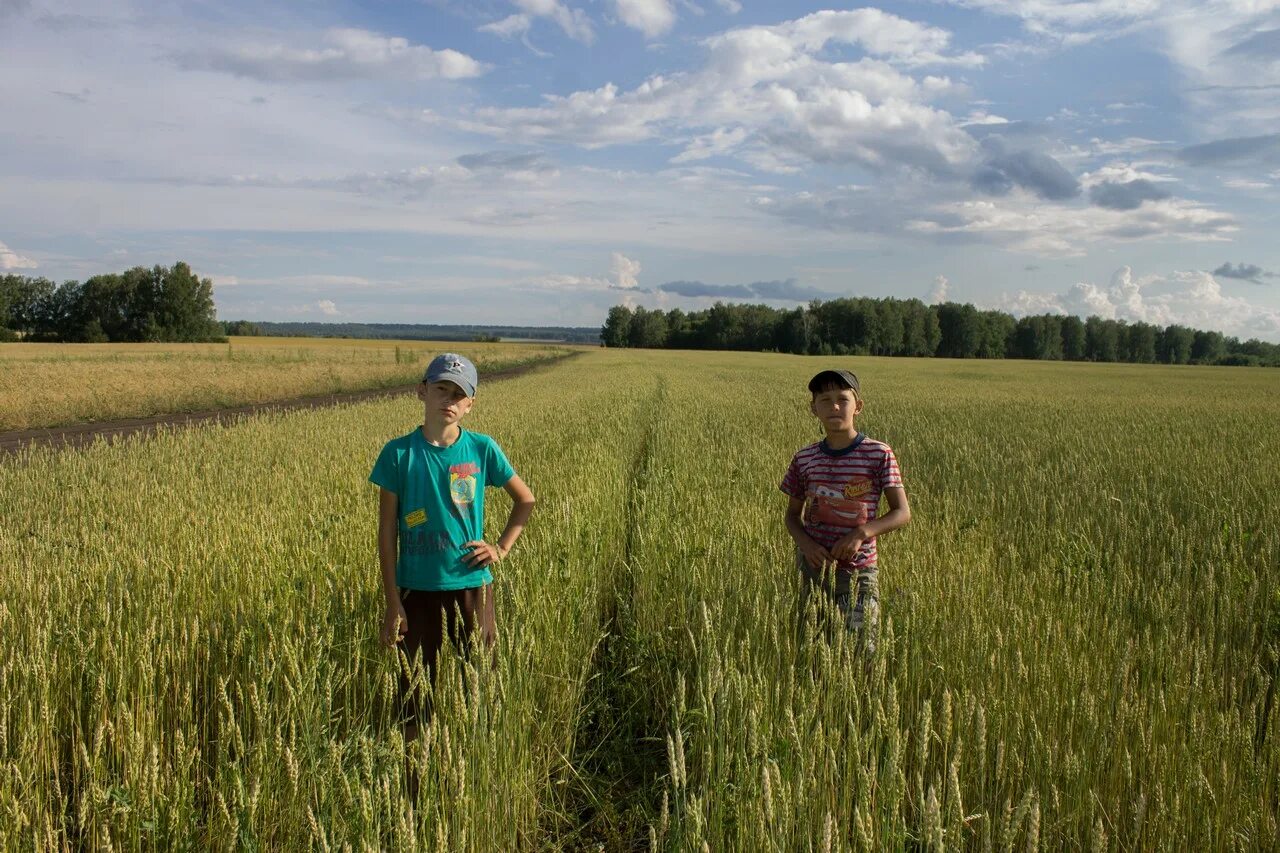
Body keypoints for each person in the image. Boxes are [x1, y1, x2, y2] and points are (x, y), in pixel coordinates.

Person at [369, 353, 535, 738]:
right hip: (415, 593)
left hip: (472, 589)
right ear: (422, 391)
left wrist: (501, 548)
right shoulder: (398, 454)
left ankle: (468, 771)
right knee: (412, 699)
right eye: (441, 388)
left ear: (470, 404)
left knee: (477, 691)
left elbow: (525, 500)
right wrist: (393, 602)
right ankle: (414, 783)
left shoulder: (482, 449)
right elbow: (386, 534)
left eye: (459, 394)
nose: (449, 399)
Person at [780, 369, 911, 654]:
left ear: (858, 406)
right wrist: (806, 545)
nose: (834, 406)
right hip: (813, 570)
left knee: (863, 652)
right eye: (824, 400)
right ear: (813, 408)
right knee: (814, 650)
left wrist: (861, 533)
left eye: (842, 399)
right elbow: (791, 515)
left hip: (858, 572)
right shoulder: (804, 459)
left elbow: (901, 512)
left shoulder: (879, 454)